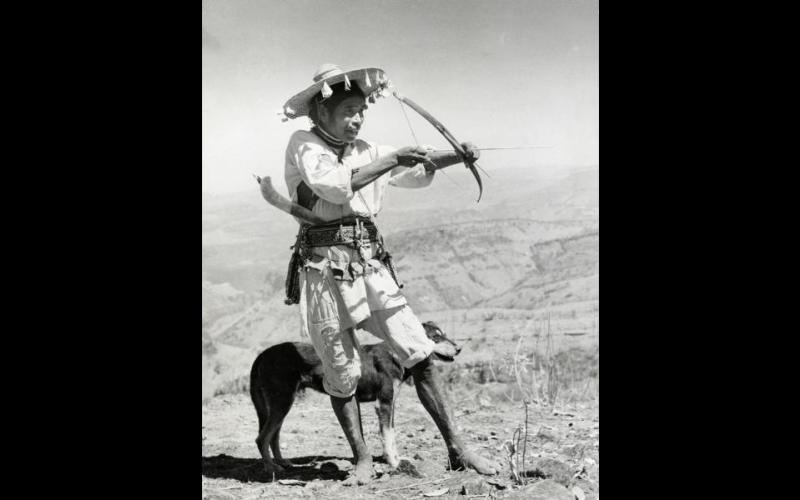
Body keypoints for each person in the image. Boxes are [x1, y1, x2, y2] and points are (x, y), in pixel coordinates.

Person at [278, 63, 498, 485]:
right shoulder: (304, 144)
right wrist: (393, 157)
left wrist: (457, 155)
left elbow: (412, 171)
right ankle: (361, 458)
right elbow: (333, 187)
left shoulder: (367, 149)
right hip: (323, 269)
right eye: (347, 110)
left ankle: (459, 449)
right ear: (320, 114)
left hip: (370, 264)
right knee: (340, 368)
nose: (357, 118)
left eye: (361, 110)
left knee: (419, 351)